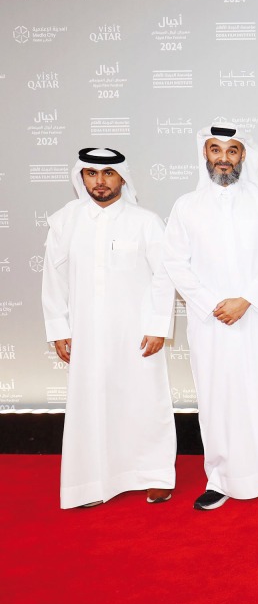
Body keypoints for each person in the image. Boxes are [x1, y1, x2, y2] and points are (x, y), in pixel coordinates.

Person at [162, 124, 258, 511]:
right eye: (215, 150)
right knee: (218, 397)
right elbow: (175, 262)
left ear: (244, 155)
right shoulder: (186, 207)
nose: (223, 158)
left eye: (232, 151)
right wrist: (213, 302)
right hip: (210, 322)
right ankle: (222, 478)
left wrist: (246, 299)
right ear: (205, 155)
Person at [42, 148, 176, 509]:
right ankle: (89, 483)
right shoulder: (65, 221)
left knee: (145, 400)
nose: (99, 181)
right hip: (85, 333)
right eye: (91, 174)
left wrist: (158, 325)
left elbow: (164, 278)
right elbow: (53, 278)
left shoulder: (145, 221)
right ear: (81, 178)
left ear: (122, 177)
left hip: (137, 335)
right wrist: (58, 328)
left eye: (107, 174)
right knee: (90, 404)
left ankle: (156, 475)